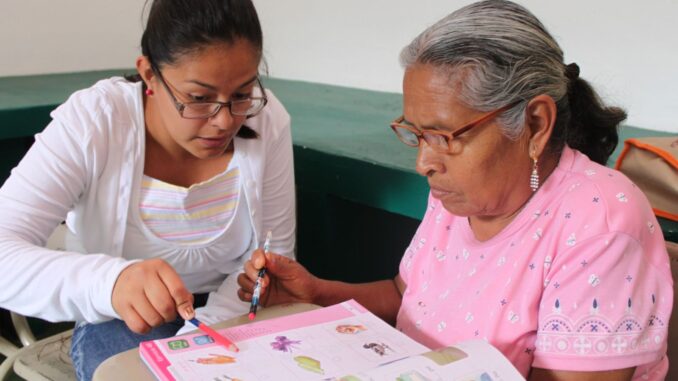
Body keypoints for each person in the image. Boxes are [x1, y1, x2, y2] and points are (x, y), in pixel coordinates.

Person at [238, 1, 673, 380]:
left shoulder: (600, 224)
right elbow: (407, 295)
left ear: (535, 124)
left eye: (444, 135)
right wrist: (317, 294)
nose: (423, 162)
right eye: (417, 134)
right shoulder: (458, 194)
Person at [0, 0, 295, 380]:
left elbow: (274, 255)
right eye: (199, 98)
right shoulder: (96, 121)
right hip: (118, 320)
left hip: (234, 313)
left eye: (241, 94)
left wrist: (201, 334)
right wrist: (111, 281)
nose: (224, 121)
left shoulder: (267, 119)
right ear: (149, 75)